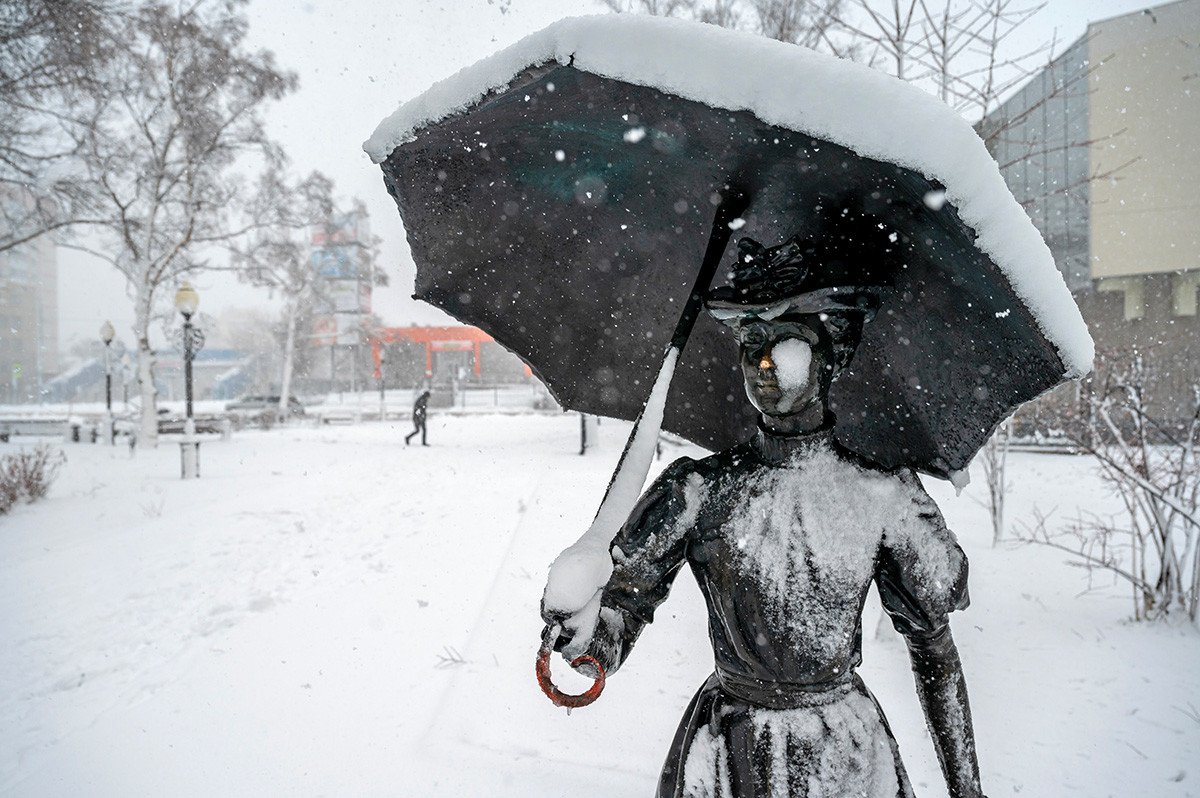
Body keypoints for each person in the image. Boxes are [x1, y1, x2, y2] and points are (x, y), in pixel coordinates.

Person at [543, 233, 987, 798]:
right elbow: (623, 607)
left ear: (832, 355)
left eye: (786, 342)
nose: (762, 362)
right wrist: (583, 635)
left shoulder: (882, 496)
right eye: (751, 341)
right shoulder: (699, 490)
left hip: (843, 758)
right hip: (730, 754)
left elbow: (934, 652)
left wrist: (967, 789)